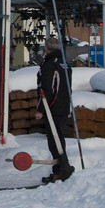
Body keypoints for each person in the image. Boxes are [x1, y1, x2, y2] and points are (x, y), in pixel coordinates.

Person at [35, 36, 74, 183]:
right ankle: (58, 171)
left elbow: (47, 89)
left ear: (46, 48)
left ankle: (63, 168)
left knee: (55, 140)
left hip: (53, 107)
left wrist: (41, 109)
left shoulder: (50, 64)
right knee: (57, 138)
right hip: (63, 106)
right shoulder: (65, 64)